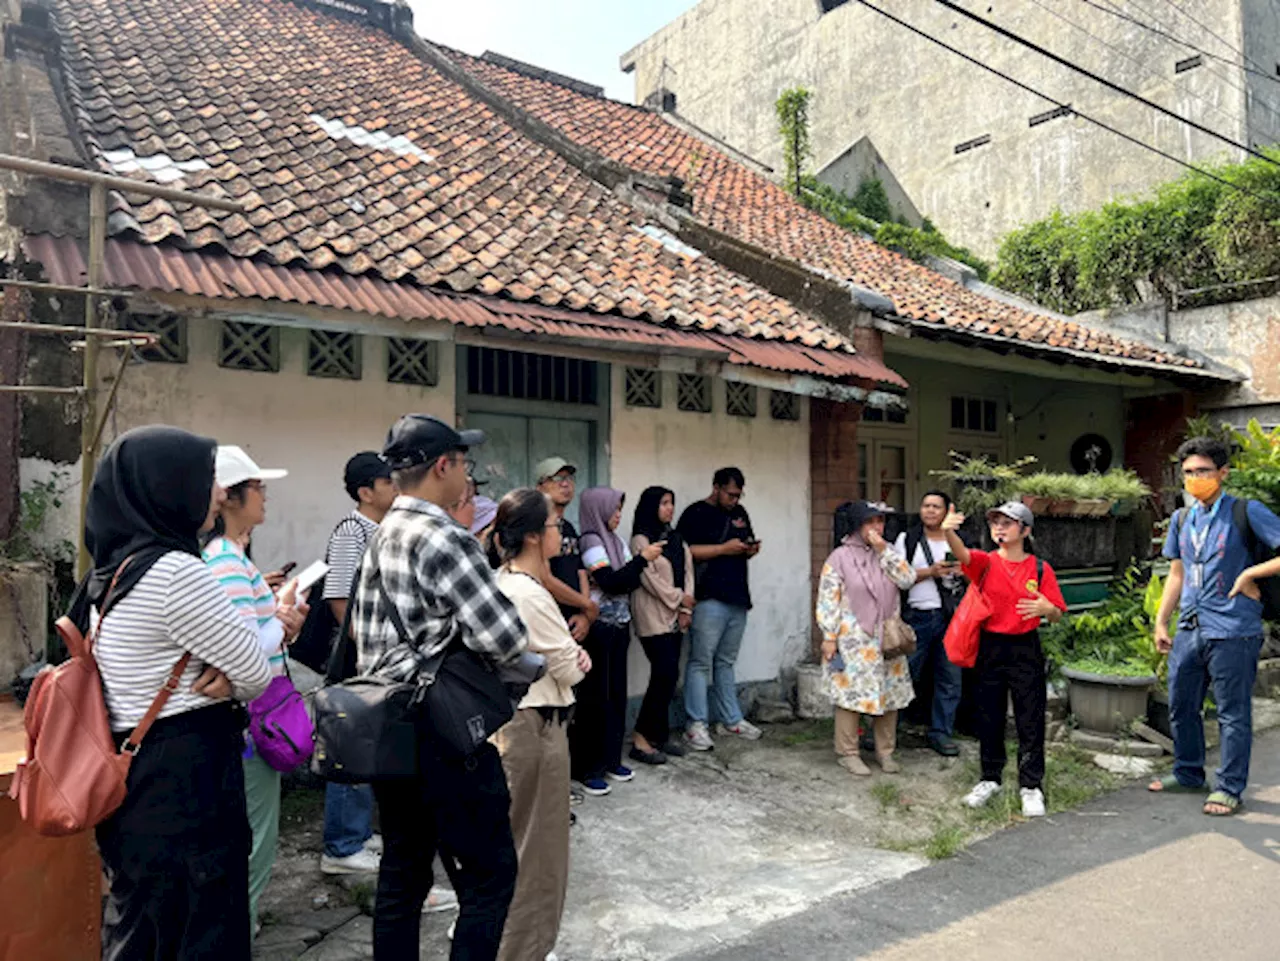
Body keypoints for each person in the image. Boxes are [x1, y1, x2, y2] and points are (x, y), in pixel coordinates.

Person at [88, 426, 273, 959]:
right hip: (187, 784)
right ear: (168, 487)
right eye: (205, 478)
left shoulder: (115, 569)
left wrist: (228, 669)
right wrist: (230, 673)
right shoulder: (175, 573)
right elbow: (256, 671)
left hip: (138, 779)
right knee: (201, 930)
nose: (218, 492)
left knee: (147, 928)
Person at [351, 414, 527, 961]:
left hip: (389, 726)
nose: (467, 476)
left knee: (403, 873)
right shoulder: (445, 538)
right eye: (463, 463)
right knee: (490, 876)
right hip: (446, 734)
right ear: (443, 466)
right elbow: (505, 636)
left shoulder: (380, 536)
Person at [202, 446, 306, 936]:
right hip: (249, 719)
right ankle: (239, 928)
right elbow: (241, 651)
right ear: (228, 498)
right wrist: (282, 622)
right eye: (257, 487)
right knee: (255, 832)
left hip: (251, 713)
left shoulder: (234, 556)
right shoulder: (225, 560)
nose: (265, 495)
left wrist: (281, 617)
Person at [1150, 437, 1280, 816]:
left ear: (1222, 473)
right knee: (1181, 704)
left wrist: (1250, 573)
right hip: (1190, 626)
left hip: (1234, 628)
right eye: (1188, 472)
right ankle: (1189, 773)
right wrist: (1161, 620)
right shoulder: (1182, 518)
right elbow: (1177, 573)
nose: (1194, 479)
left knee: (1231, 712)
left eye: (1202, 471)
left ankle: (1229, 787)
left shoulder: (1245, 511)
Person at [488, 489, 592, 961]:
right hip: (535, 725)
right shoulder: (530, 595)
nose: (560, 534)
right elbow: (570, 668)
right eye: (553, 526)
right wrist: (575, 657)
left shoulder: (504, 580)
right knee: (539, 853)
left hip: (517, 721)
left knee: (516, 845)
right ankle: (524, 949)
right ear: (532, 535)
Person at [942, 501, 1065, 818]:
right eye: (995, 523)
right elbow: (963, 555)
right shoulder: (985, 564)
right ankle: (990, 777)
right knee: (989, 715)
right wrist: (948, 532)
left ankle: (1031, 785)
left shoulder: (1040, 569)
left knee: (1030, 717)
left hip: (1026, 646)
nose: (999, 528)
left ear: (1025, 530)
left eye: (1007, 523)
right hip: (990, 645)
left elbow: (1057, 613)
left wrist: (1046, 610)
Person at [318, 454, 393, 876]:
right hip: (360, 660)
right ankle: (343, 845)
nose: (395, 485)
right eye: (387, 480)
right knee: (351, 744)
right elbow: (338, 598)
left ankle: (359, 833)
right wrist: (367, 648)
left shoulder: (379, 530)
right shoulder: (352, 531)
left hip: (376, 657)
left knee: (370, 746)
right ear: (366, 492)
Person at [571, 487, 663, 795]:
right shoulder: (590, 541)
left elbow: (626, 579)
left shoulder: (616, 542)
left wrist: (631, 568)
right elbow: (612, 581)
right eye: (614, 509)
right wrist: (639, 562)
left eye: (621, 510)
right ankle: (588, 767)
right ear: (598, 510)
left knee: (616, 695)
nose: (618, 515)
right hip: (599, 628)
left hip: (620, 625)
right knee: (595, 699)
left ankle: (611, 759)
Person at [817, 501, 918, 775]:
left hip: (888, 637)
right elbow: (828, 599)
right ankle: (848, 752)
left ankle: (885, 752)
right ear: (857, 525)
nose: (876, 527)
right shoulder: (840, 556)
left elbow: (908, 578)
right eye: (870, 522)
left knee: (890, 695)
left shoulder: (888, 552)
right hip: (854, 638)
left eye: (880, 522)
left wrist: (884, 550)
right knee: (850, 696)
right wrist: (829, 636)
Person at [677, 467, 762, 751]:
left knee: (725, 661)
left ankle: (731, 719)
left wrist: (749, 549)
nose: (734, 499)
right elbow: (684, 552)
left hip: (738, 596)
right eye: (730, 494)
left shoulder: (741, 513)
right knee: (700, 661)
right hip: (708, 597)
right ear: (716, 487)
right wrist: (722, 549)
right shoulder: (696, 513)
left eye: (739, 495)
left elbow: (745, 540)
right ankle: (696, 724)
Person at [893, 490, 964, 756]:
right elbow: (898, 575)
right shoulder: (908, 539)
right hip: (917, 616)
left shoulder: (958, 540)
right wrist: (929, 572)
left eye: (936, 506)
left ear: (947, 511)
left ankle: (941, 733)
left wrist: (960, 571)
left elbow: (975, 571)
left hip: (951, 618)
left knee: (950, 678)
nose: (930, 511)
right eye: (926, 506)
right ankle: (887, 730)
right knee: (904, 675)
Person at [629, 486, 695, 765]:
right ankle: (640, 739)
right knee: (663, 673)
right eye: (664, 503)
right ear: (651, 506)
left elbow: (688, 570)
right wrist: (679, 598)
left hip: (677, 614)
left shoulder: (676, 537)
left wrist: (685, 606)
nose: (669, 508)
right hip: (652, 614)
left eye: (672, 503)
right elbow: (650, 579)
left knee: (669, 676)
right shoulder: (641, 540)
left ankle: (659, 735)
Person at [535, 457, 598, 643]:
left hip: (574, 622)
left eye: (569, 478)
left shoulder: (569, 527)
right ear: (540, 487)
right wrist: (587, 604)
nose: (565, 484)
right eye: (556, 478)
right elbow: (545, 578)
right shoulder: (535, 527)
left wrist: (585, 616)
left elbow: (581, 572)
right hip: (547, 621)